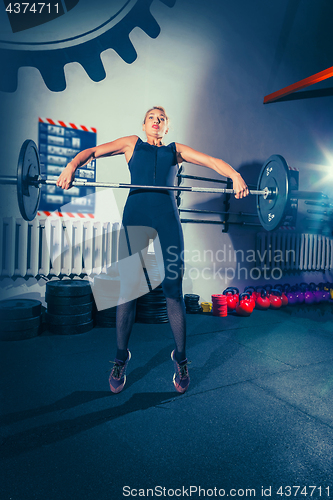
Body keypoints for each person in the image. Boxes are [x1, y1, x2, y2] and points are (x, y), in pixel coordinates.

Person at [56, 106, 249, 394]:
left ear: (167, 127)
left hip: (168, 224)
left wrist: (234, 175)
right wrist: (72, 165)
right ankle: (121, 358)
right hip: (135, 221)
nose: (156, 121)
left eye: (161, 119)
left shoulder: (176, 150)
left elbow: (212, 161)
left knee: (173, 292)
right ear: (144, 124)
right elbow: (93, 152)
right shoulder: (131, 144)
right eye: (151, 118)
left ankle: (181, 359)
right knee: (127, 292)